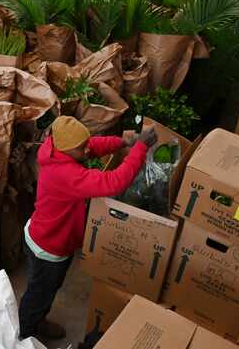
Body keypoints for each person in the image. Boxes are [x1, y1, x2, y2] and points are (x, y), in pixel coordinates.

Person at [18, 116, 157, 341]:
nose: (87, 149)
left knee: (46, 289)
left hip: (45, 235)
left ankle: (37, 322)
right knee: (39, 294)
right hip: (49, 247)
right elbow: (113, 182)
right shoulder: (65, 175)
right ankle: (26, 335)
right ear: (68, 150)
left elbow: (91, 145)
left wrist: (123, 142)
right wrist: (140, 147)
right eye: (81, 148)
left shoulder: (57, 148)